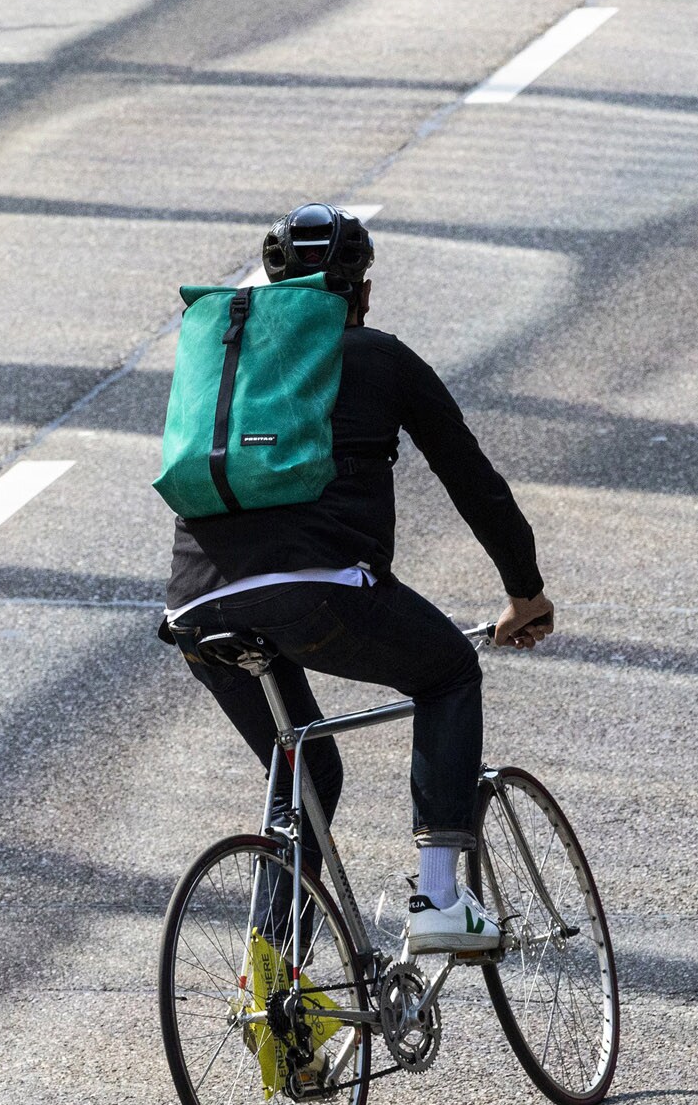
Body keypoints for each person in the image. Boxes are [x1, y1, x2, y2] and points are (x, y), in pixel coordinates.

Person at [161, 203, 554, 954]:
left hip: (196, 606)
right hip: (321, 588)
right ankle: (440, 897)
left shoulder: (228, 362)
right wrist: (523, 590)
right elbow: (473, 481)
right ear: (361, 292)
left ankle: (276, 986)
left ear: (275, 285)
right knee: (447, 674)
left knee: (307, 762)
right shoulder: (377, 355)